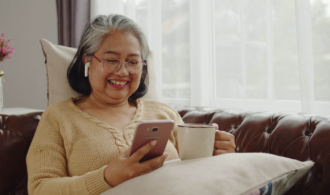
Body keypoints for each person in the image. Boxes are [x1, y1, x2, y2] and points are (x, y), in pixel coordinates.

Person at [26, 14, 236, 195]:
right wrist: (107, 177)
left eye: (133, 62)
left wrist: (219, 157)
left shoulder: (164, 113)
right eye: (111, 60)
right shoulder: (58, 118)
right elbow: (40, 188)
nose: (123, 71)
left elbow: (196, 178)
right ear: (87, 61)